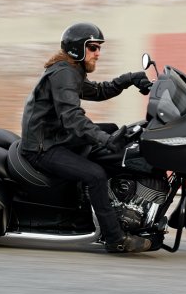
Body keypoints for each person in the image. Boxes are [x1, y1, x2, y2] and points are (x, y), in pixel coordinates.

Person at [19, 22, 154, 253]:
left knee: (112, 128)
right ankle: (115, 238)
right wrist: (104, 140)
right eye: (93, 47)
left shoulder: (71, 70)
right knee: (96, 175)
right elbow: (71, 118)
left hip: (56, 136)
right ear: (77, 49)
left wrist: (129, 79)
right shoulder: (63, 73)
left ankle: (117, 198)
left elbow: (99, 91)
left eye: (99, 48)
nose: (98, 53)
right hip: (43, 147)